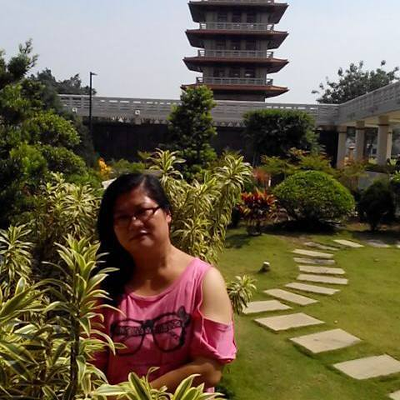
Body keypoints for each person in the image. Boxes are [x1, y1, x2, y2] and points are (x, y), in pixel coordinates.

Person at [94, 173, 236, 392]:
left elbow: (209, 369)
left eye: (142, 211)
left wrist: (133, 397)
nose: (134, 223)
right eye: (122, 217)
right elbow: (90, 365)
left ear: (167, 213)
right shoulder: (104, 285)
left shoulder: (204, 281)